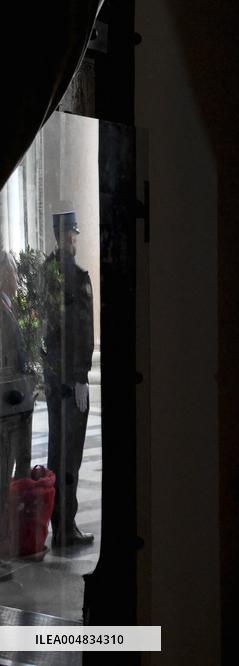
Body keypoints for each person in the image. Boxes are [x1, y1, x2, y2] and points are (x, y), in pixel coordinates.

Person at [42, 211, 95, 548]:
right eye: (69, 236)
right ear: (59, 237)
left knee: (59, 451)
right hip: (69, 381)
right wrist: (76, 378)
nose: (73, 241)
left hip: (58, 380)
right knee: (69, 452)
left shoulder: (49, 274)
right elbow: (71, 333)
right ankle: (65, 526)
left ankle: (61, 523)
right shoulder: (68, 277)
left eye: (74, 235)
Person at [0, 252, 35, 575]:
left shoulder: (8, 304)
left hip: (15, 404)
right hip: (4, 408)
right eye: (9, 270)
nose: (14, 276)